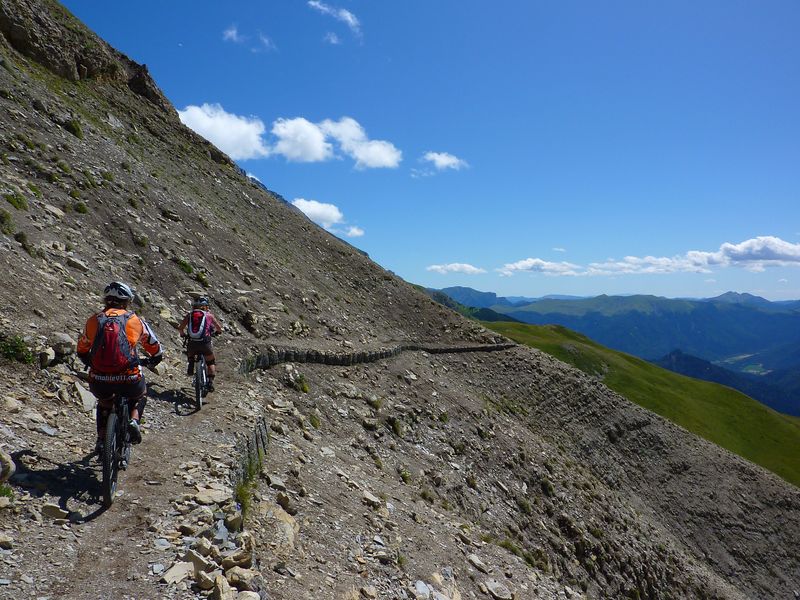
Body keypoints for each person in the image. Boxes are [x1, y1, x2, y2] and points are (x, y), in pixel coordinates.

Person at [77, 282, 163, 449]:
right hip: (128, 377)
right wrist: (154, 359)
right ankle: (134, 420)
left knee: (104, 402)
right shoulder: (134, 320)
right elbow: (154, 345)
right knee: (140, 394)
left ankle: (102, 439)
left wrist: (87, 359)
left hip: (99, 378)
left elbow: (82, 347)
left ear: (106, 300)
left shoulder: (94, 320)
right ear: (127, 301)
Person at [178, 296, 222, 392]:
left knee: (190, 351)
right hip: (205, 343)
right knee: (210, 362)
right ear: (205, 306)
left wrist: (183, 334)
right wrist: (217, 332)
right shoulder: (209, 315)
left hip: (192, 343)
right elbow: (219, 328)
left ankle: (191, 363)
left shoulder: (190, 315)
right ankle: (210, 382)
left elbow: (180, 328)